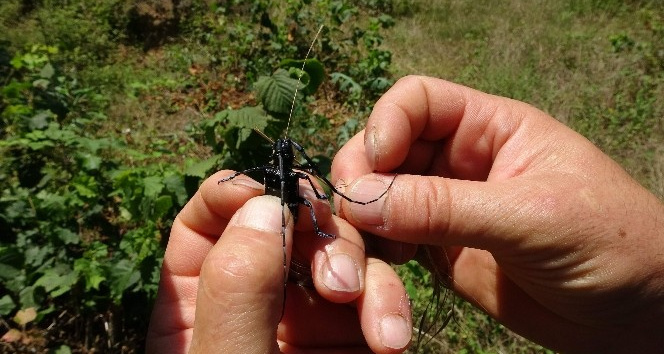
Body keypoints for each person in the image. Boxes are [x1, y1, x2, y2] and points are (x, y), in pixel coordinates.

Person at [146, 76, 664, 353]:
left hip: (302, 218)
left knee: (315, 216)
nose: (283, 156)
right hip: (283, 218)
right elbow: (283, 173)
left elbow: (307, 175)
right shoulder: (272, 173)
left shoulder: (296, 173)